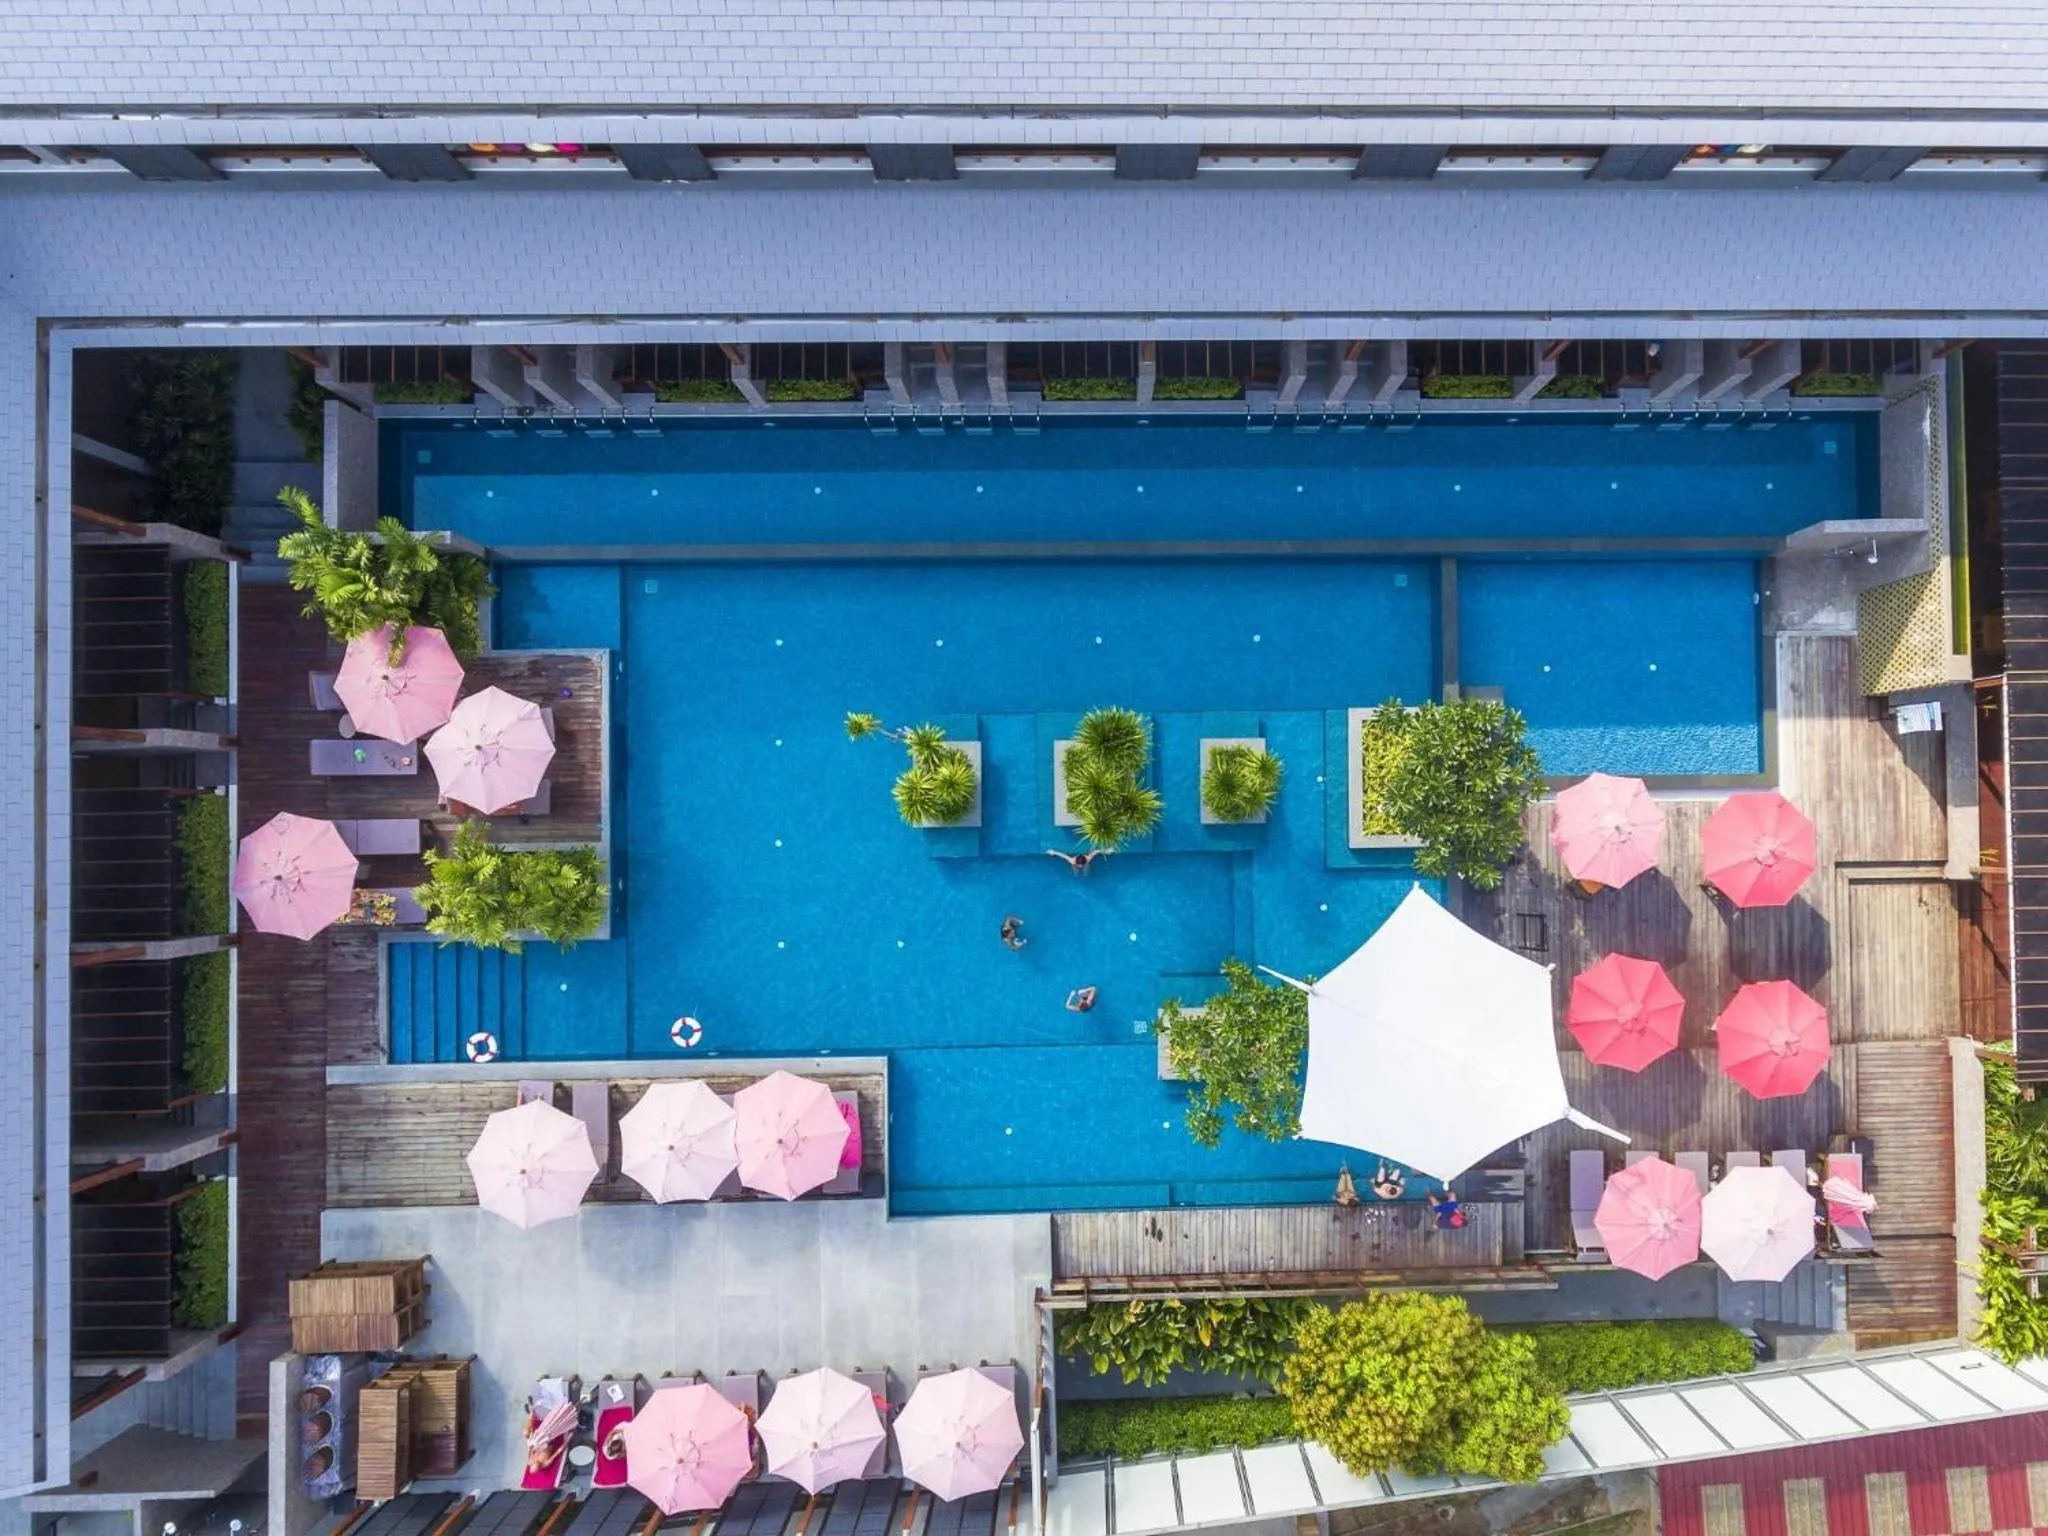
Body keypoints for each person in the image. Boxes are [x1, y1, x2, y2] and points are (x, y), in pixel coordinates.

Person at [1046, 848, 1112, 876]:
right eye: (1080, 865)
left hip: (1084, 863)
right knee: (1075, 871)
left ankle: (1086, 875)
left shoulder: (1088, 858)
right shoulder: (1072, 861)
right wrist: (1053, 852)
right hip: (1075, 864)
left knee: (1086, 871)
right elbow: (1063, 856)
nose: (1080, 866)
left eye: (1081, 865)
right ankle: (1076, 875)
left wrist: (1106, 851)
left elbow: (1097, 851)